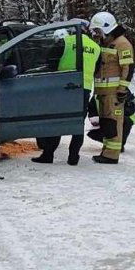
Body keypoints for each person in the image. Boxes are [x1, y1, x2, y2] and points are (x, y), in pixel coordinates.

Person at [32, 28, 100, 166]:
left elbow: (50, 61)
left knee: (58, 120)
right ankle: (73, 156)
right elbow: (97, 69)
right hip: (84, 88)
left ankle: (48, 154)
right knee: (78, 123)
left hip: (64, 85)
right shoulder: (96, 47)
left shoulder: (65, 42)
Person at [88, 11, 134, 165]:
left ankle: (112, 155)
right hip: (103, 93)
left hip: (114, 93)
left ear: (106, 28)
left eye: (99, 30)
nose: (97, 33)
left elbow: (128, 69)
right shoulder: (106, 42)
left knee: (114, 123)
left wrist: (122, 90)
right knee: (107, 123)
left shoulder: (122, 43)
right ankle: (107, 151)